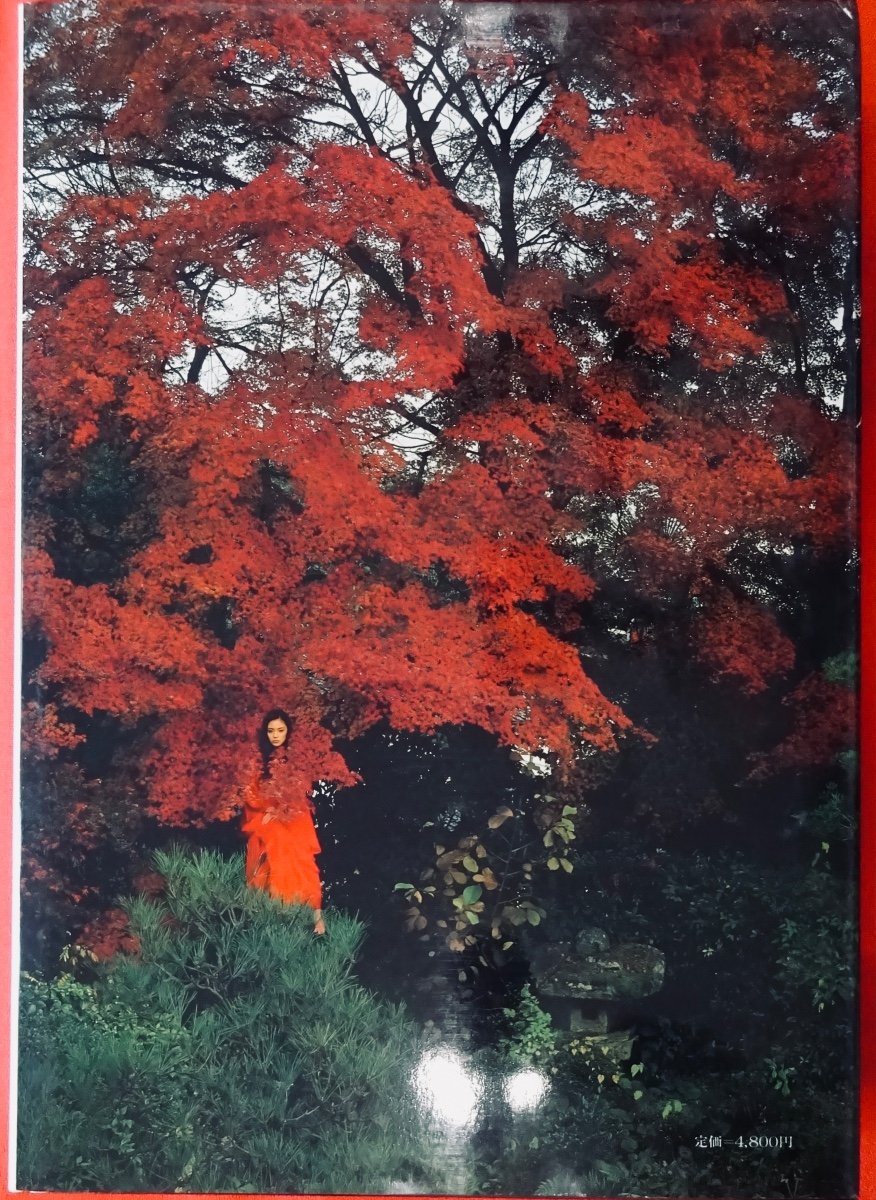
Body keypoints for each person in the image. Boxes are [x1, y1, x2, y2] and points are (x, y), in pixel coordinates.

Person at [239, 708, 325, 935]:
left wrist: (282, 809)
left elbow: (299, 797)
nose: (275, 735)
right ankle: (273, 916)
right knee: (270, 853)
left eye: (280, 730)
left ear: (288, 732)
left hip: (293, 823)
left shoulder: (295, 763)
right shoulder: (256, 765)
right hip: (266, 823)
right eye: (271, 731)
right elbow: (250, 796)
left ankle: (314, 917)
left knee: (302, 864)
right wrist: (269, 811)